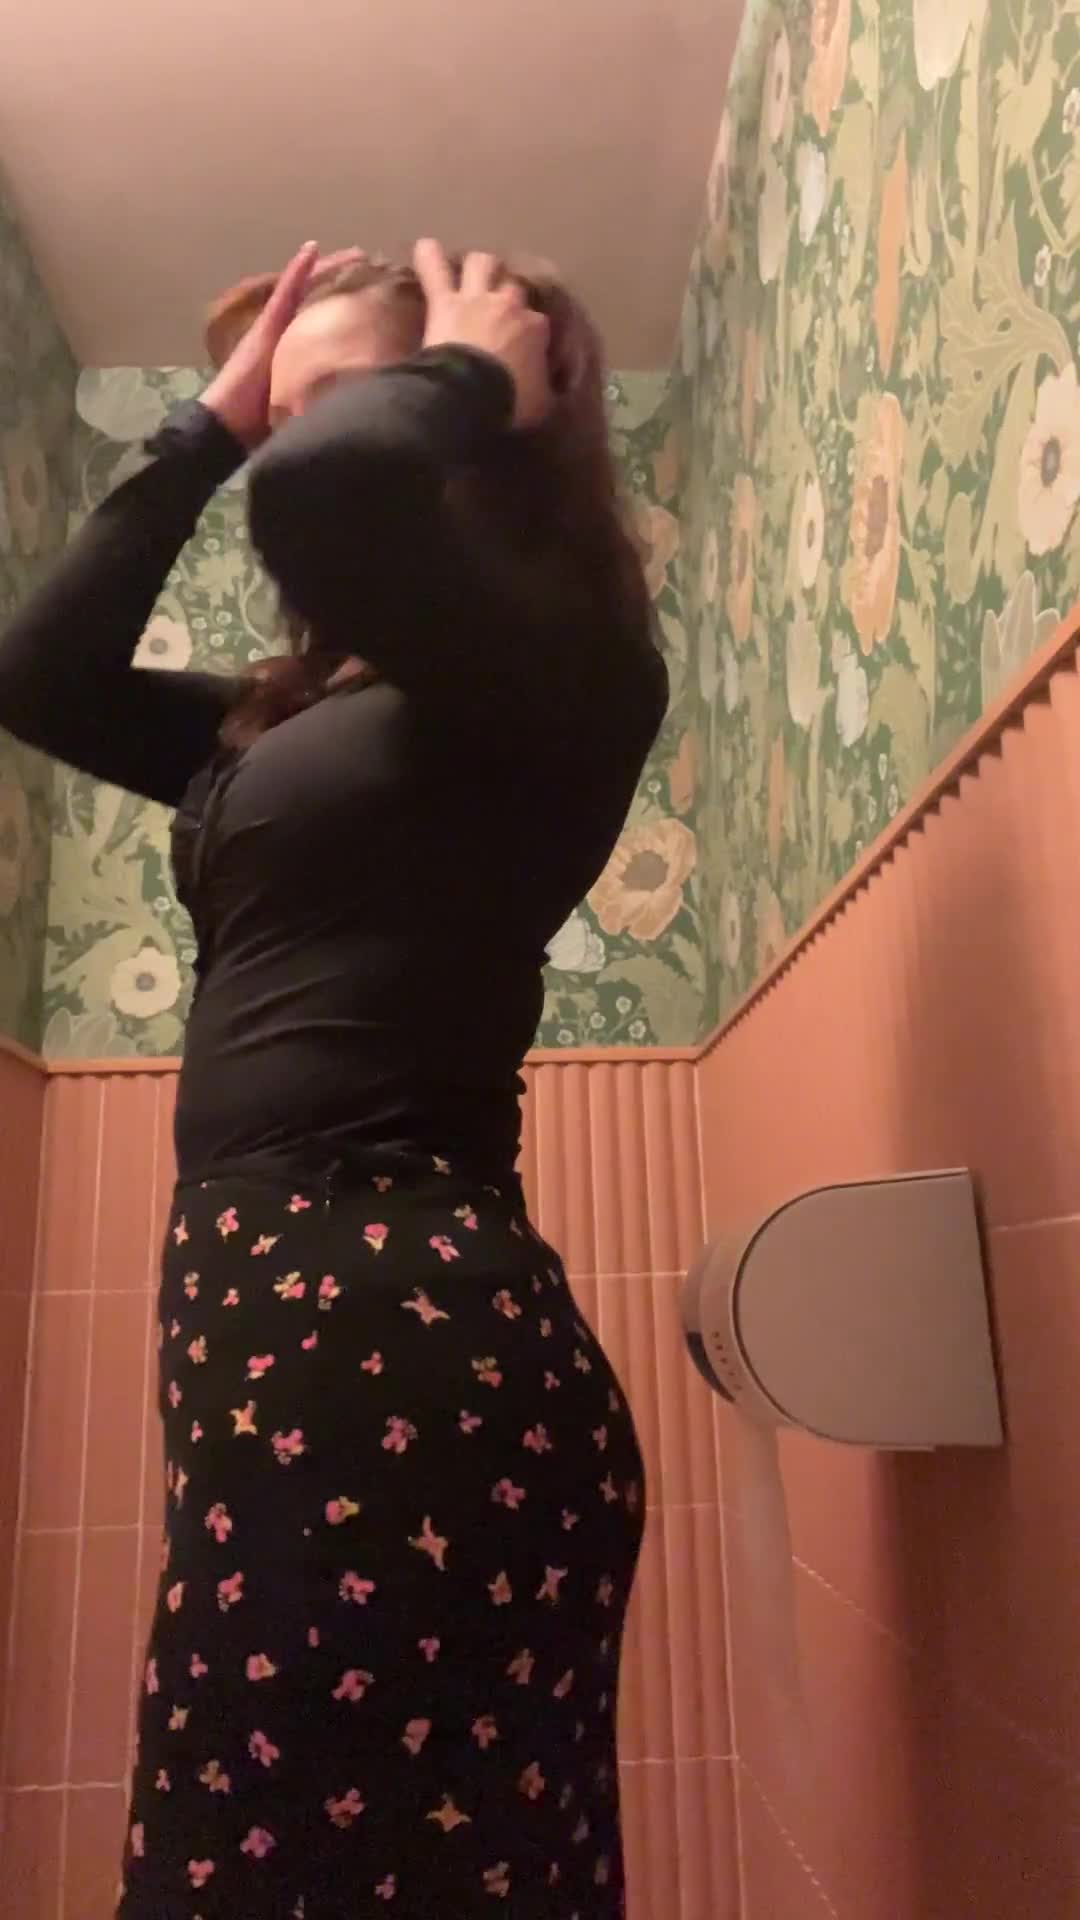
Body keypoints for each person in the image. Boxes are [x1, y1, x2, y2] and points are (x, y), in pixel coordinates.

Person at [0, 236, 668, 1918]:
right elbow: (38, 678)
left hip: (401, 1338)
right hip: (274, 1339)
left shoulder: (569, 669)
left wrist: (465, 369)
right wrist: (206, 429)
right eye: (281, 418)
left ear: (495, 402)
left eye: (345, 399)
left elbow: (328, 503)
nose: (286, 447)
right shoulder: (285, 721)